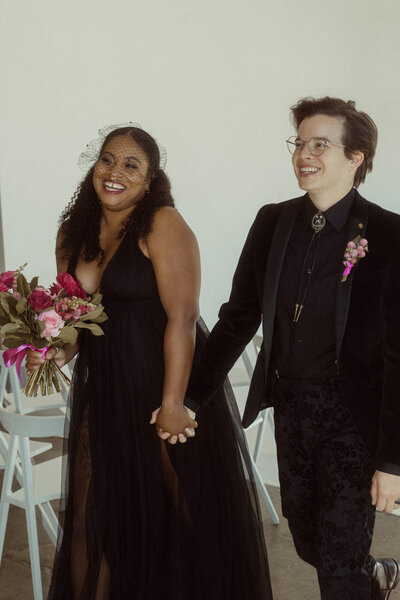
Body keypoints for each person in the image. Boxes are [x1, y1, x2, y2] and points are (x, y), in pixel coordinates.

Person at [26, 126, 272, 599]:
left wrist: (175, 402)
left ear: (149, 177)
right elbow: (78, 319)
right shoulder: (72, 231)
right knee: (87, 513)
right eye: (106, 160)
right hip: (105, 392)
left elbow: (183, 319)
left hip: (163, 387)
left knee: (187, 511)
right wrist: (57, 348)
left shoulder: (162, 224)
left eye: (130, 165)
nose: (114, 173)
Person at [183, 98, 400, 600]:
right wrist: (192, 396)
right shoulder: (272, 222)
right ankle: (377, 575)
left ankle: (357, 575)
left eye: (320, 144)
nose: (304, 153)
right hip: (293, 407)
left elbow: (397, 356)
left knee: (338, 561)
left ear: (356, 157)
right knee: (309, 541)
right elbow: (239, 316)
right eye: (299, 143)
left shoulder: (389, 235)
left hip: (354, 419)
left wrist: (391, 461)